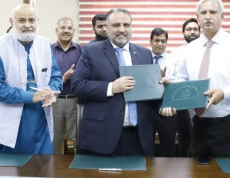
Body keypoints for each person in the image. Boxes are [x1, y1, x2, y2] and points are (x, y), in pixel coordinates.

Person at [161, 0, 230, 162]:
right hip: (199, 125)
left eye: (213, 12)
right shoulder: (188, 50)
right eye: (203, 12)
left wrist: (224, 93)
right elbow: (183, 81)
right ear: (197, 17)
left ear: (222, 16)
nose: (207, 16)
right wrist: (172, 87)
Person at [72, 8, 159, 156]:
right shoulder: (91, 51)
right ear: (107, 27)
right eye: (116, 25)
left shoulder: (144, 54)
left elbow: (150, 92)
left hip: (139, 137)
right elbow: (77, 86)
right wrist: (112, 87)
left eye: (126, 25)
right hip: (102, 136)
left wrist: (163, 90)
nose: (122, 29)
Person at [0, 3, 62, 154]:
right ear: (11, 21)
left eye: (32, 20)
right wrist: (30, 96)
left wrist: (51, 92)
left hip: (40, 118)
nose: (27, 25)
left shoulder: (45, 44)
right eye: (21, 20)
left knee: (41, 171)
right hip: (7, 120)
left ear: (37, 21)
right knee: (6, 173)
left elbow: (56, 77)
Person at [164, 18, 201, 157]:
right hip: (182, 104)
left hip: (203, 102)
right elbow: (169, 76)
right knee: (184, 139)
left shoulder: (208, 51)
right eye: (188, 29)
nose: (192, 32)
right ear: (183, 33)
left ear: (199, 32)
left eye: (195, 29)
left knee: (202, 139)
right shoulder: (176, 53)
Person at [51, 17, 82, 154]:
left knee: (76, 139)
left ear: (74, 31)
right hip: (54, 101)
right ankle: (52, 170)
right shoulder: (48, 50)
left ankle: (76, 171)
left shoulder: (81, 51)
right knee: (54, 139)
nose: (66, 31)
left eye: (69, 28)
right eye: (63, 28)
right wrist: (63, 79)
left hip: (75, 101)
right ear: (56, 30)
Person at [150, 28, 175, 156]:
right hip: (148, 107)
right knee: (147, 145)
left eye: (163, 41)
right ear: (151, 41)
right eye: (157, 40)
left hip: (167, 107)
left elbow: (178, 81)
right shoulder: (143, 57)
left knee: (168, 146)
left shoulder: (173, 59)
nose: (160, 44)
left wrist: (169, 80)